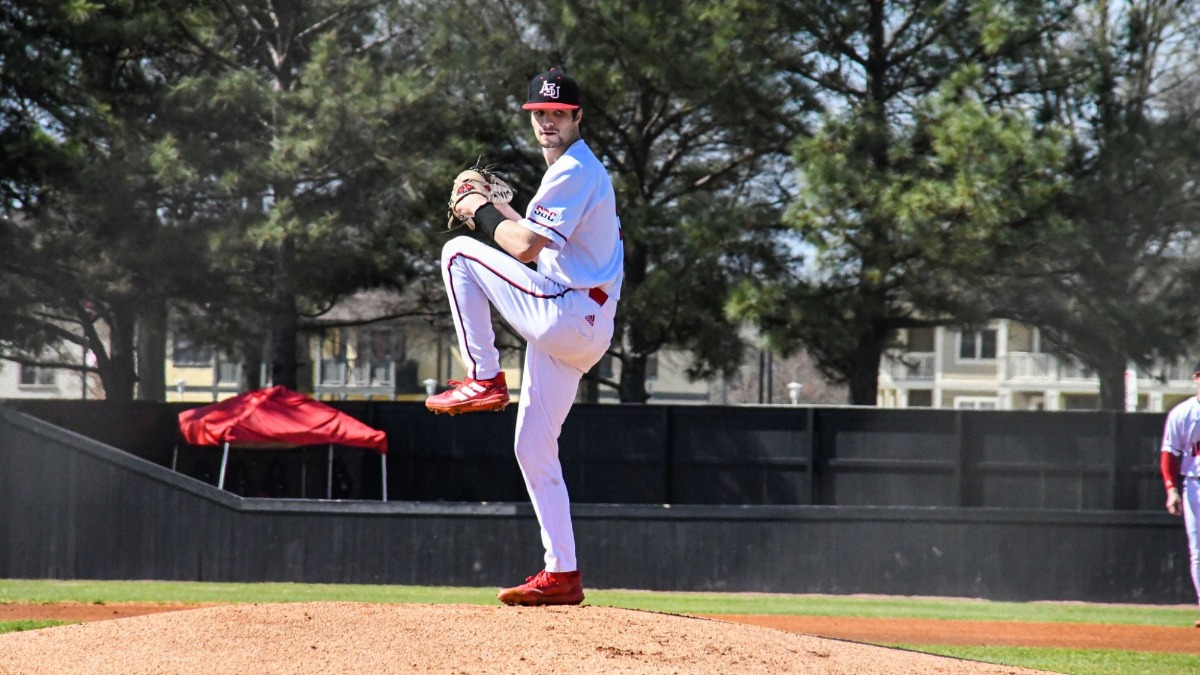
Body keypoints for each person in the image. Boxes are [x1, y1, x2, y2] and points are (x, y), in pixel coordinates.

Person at [425, 68, 623, 606]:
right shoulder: (570, 175)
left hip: (568, 313)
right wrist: (501, 210)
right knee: (532, 445)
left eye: (559, 113)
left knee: (456, 252)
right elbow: (535, 240)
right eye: (540, 114)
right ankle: (563, 574)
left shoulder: (575, 170)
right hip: (581, 324)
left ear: (578, 117)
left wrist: (476, 210)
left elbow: (525, 250)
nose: (548, 122)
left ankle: (484, 376)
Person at [1159, 359, 1200, 627]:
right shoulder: (1182, 413)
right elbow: (1169, 455)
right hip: (1196, 485)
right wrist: (1172, 489)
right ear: (1197, 377)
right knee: (1198, 551)